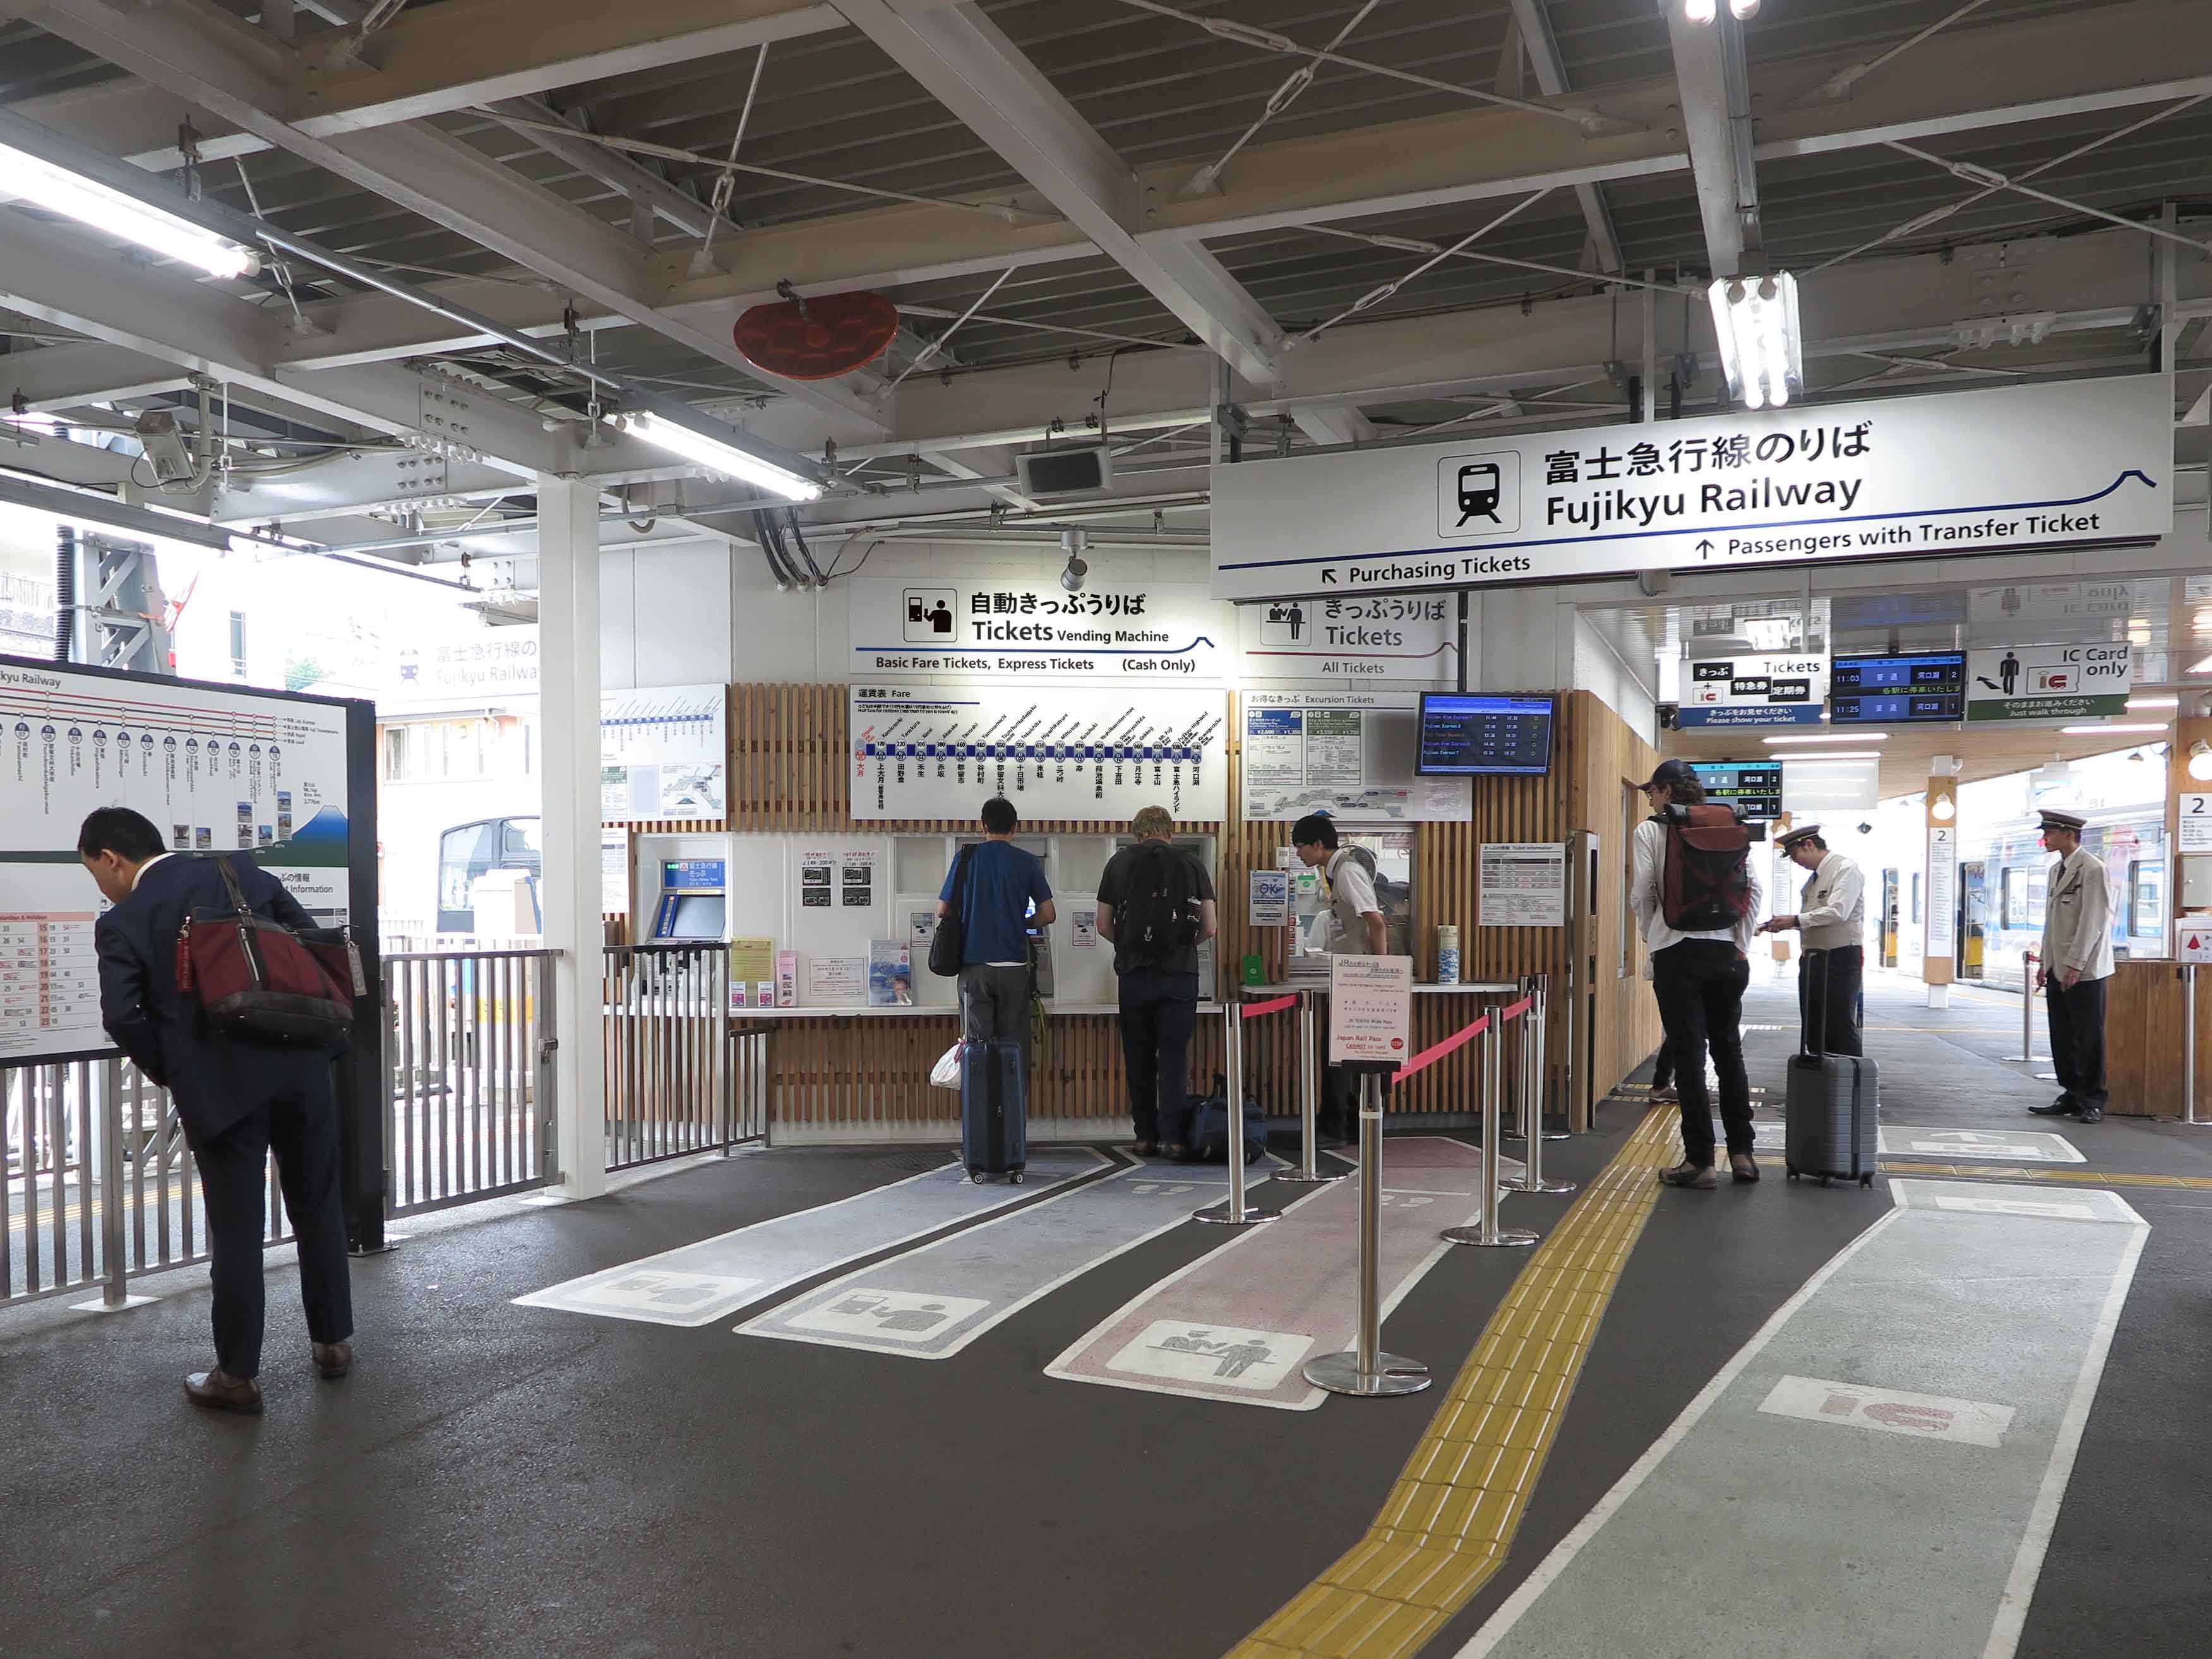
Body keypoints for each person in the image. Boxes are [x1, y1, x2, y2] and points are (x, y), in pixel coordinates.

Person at [80, 807, 354, 1414]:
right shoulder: (242, 875)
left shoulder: (125, 920)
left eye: (94, 873)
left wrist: (177, 1072)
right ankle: (333, 1342)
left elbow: (123, 1016)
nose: (100, 885)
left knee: (237, 1233)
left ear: (111, 859)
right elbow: (309, 943)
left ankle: (237, 1375)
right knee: (317, 1207)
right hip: (301, 1067)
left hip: (223, 1092)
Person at [1630, 760, 1763, 1189]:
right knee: (1729, 1052)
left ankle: (1700, 1162)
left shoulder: (1651, 829)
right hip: (1726, 954)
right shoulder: (1726, 825)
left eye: (1652, 790)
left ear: (1667, 791)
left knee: (1688, 1057)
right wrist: (1740, 943)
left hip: (1676, 952)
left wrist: (1651, 938)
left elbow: (1642, 891)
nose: (1649, 797)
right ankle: (1742, 1154)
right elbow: (1754, 889)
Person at [1096, 807, 1217, 1159]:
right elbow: (1209, 926)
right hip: (1180, 975)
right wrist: (1182, 948)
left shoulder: (1118, 864)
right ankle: (1173, 1139)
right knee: (1174, 1057)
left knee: (1139, 1056)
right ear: (1170, 832)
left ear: (1136, 835)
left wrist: (1130, 946)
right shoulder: (1192, 864)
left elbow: (1103, 924)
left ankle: (1144, 1137)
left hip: (1134, 975)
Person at [937, 797, 1055, 1076]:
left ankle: (980, 1115)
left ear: (983, 826)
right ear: (1015, 827)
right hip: (1014, 970)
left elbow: (943, 910)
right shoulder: (1027, 862)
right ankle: (1013, 1117)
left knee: (976, 1050)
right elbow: (1048, 915)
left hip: (974, 969)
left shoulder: (966, 858)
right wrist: (1021, 923)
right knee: (1014, 1051)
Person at [1291, 812, 1385, 1145]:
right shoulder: (1333, 871)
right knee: (1340, 1053)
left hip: (1361, 976)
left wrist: (1379, 975)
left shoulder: (1347, 871)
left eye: (1301, 846)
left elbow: (1377, 923)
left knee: (1344, 1055)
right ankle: (1339, 1125)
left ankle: (1342, 1127)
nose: (1298, 853)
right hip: (1352, 974)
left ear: (1318, 845)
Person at [2030, 807, 2113, 1124]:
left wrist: (2076, 964)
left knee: (2089, 1034)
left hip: (2086, 970)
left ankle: (2093, 1098)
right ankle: (2072, 1092)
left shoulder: (2093, 869)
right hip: (2057, 966)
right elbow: (2052, 922)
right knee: (2062, 1033)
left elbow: (2093, 922)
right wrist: (2045, 963)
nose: (2044, 838)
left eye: (2049, 833)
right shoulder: (2056, 870)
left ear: (2068, 833)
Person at [1759, 823, 1866, 1056]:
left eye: (1795, 854)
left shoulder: (1845, 869)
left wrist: (1795, 921)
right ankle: (1821, 1078)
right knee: (1815, 1024)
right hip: (1813, 958)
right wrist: (1785, 924)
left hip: (1840, 958)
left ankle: (1851, 1083)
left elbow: (1838, 912)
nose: (1795, 861)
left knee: (1839, 1023)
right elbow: (1814, 920)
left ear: (1809, 845)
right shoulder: (1812, 881)